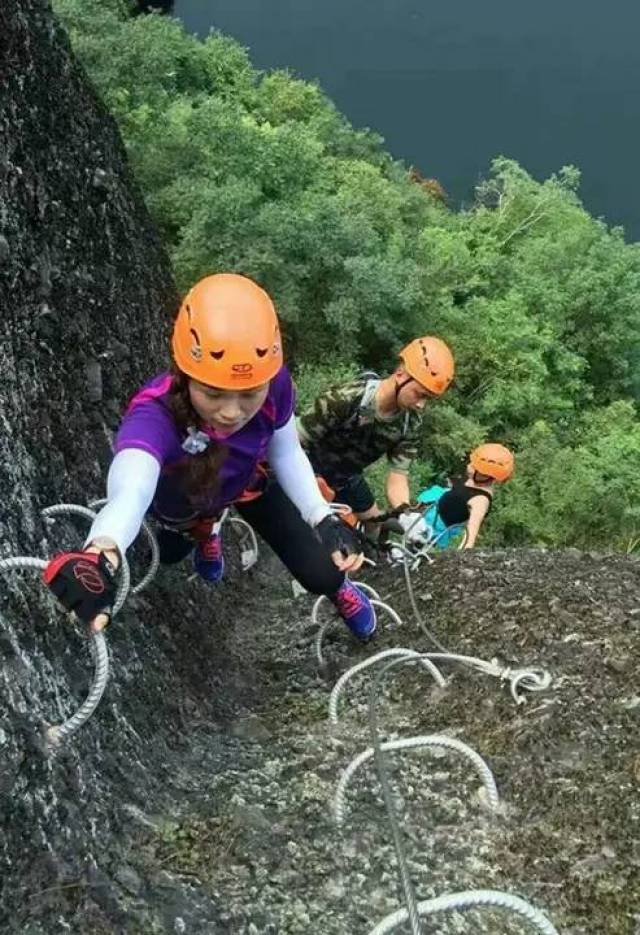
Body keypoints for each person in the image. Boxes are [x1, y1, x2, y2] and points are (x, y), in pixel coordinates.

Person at [43, 274, 377, 640]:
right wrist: (102, 551)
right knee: (170, 553)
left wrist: (321, 517)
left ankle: (338, 588)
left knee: (322, 571)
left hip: (245, 484)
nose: (231, 412)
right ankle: (206, 533)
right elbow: (132, 487)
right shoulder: (154, 415)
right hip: (185, 500)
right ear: (185, 374)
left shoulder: (276, 384)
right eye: (213, 393)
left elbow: (284, 449)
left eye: (249, 393)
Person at [297, 336, 455, 537]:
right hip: (307, 465)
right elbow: (294, 442)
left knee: (375, 521)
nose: (421, 404)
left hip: (346, 477)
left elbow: (398, 478)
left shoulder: (409, 423)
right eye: (419, 394)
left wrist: (406, 513)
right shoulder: (345, 399)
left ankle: (375, 560)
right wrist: (312, 482)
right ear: (400, 375)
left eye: (428, 399)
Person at [409, 444, 514, 549]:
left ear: (484, 475)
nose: (469, 465)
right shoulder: (474, 480)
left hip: (437, 524)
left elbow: (471, 532)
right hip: (438, 502)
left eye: (473, 465)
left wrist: (462, 553)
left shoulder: (480, 501)